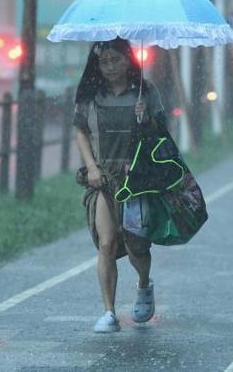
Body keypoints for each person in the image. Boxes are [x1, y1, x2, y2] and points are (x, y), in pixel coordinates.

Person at [73, 38, 167, 332]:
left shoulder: (145, 91)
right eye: (104, 61)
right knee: (107, 243)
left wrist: (145, 119)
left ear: (129, 60)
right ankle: (109, 312)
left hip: (137, 179)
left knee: (137, 245)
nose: (110, 67)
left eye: (116, 60)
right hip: (104, 178)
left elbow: (162, 132)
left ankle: (143, 285)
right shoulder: (91, 94)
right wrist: (91, 166)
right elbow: (80, 130)